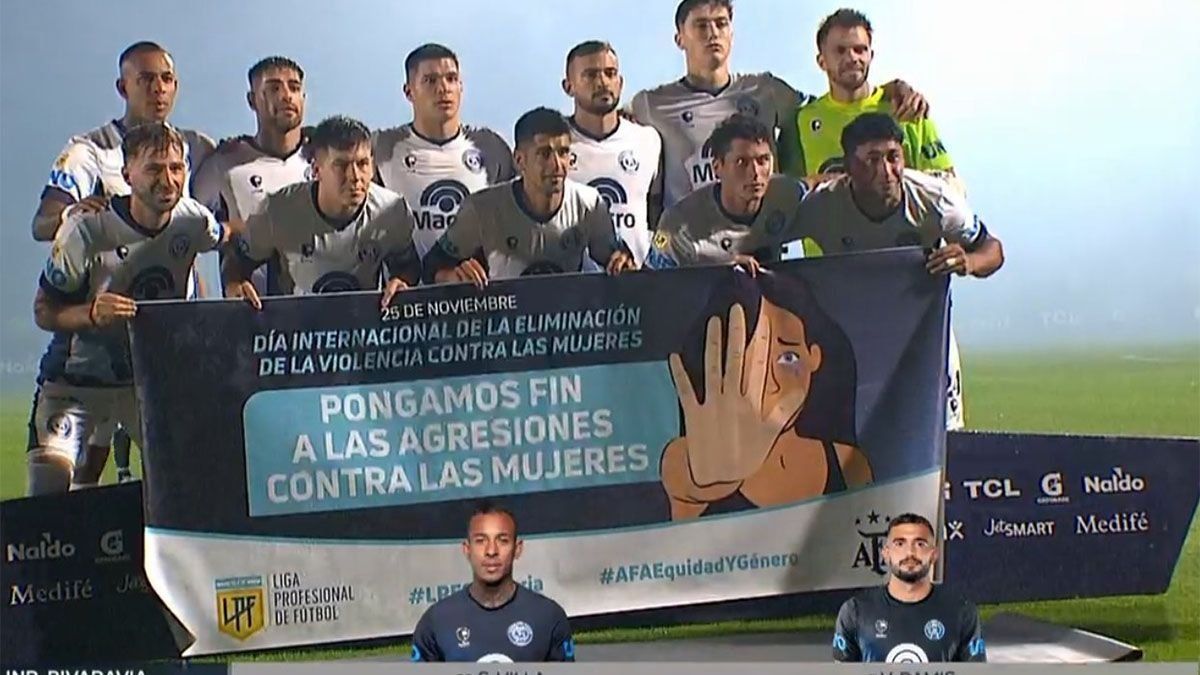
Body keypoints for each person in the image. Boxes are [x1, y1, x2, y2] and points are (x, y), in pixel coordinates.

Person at [29, 40, 215, 485]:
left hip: (156, 357)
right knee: (71, 483)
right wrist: (76, 215)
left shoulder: (190, 146)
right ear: (122, 86)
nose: (158, 89)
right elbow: (42, 223)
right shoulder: (90, 151)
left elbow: (195, 239)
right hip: (90, 351)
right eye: (145, 79)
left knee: (173, 487)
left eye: (166, 79)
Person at [794, 113, 1005, 429]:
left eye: (893, 157)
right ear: (849, 166)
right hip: (856, 340)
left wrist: (968, 262)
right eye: (872, 160)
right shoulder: (822, 206)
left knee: (942, 434)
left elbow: (993, 249)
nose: (886, 171)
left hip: (926, 339)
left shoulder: (935, 199)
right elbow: (765, 234)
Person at [628, 0, 926, 208]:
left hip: (759, 247)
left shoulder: (765, 90)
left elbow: (835, 103)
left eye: (721, 24)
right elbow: (610, 128)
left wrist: (889, 89)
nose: (713, 34)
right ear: (680, 38)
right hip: (689, 248)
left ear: (732, 33)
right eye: (701, 26)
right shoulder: (651, 104)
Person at [660, 271, 871, 520]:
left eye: (787, 358)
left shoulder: (847, 464)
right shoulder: (691, 458)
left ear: (814, 357)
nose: (770, 383)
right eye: (748, 364)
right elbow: (685, 483)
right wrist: (714, 482)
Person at [222, 115, 421, 309]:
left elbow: (407, 265)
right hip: (297, 333)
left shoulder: (391, 211)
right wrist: (235, 285)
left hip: (364, 332)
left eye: (362, 164)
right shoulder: (278, 211)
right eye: (341, 166)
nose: (355, 177)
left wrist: (402, 281)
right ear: (316, 170)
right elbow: (237, 261)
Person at [424, 107, 637, 286]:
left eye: (563, 152)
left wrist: (622, 262)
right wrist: (453, 276)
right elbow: (431, 266)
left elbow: (614, 255)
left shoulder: (590, 204)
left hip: (568, 325)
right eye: (544, 154)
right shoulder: (482, 209)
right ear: (519, 160)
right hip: (505, 326)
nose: (557, 165)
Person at [780, 9, 961, 192]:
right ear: (822, 61)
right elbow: (785, 196)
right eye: (840, 51)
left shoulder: (906, 107)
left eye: (860, 50)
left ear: (871, 56)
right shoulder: (800, 122)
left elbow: (951, 188)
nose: (852, 58)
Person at [374, 44, 515, 260]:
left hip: (478, 288)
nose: (443, 88)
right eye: (430, 80)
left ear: (461, 86)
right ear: (409, 92)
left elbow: (514, 221)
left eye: (451, 79)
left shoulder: (491, 147)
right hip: (409, 290)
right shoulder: (383, 148)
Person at [191, 56, 312, 294]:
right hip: (252, 315)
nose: (287, 95)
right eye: (274, 88)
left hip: (326, 313)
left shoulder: (325, 157)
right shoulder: (222, 165)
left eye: (294, 88)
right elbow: (184, 233)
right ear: (252, 100)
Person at [644, 114, 813, 271]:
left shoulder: (787, 192)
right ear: (717, 167)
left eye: (763, 160)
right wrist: (721, 271)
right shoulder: (677, 223)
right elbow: (653, 284)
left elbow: (816, 183)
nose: (755, 173)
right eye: (741, 162)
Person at [411, 504, 575, 663]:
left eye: (502, 540)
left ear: (517, 549)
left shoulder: (549, 617)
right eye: (481, 541)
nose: (491, 551)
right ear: (467, 549)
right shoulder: (436, 622)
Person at [833, 513, 986, 663]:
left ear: (934, 554)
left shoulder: (961, 612)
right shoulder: (855, 611)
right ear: (886, 554)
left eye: (920, 544)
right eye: (900, 543)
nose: (910, 553)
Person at [562, 40, 663, 267]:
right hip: (573, 286)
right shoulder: (554, 145)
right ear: (568, 86)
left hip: (638, 285)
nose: (602, 82)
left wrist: (654, 255)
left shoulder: (647, 140)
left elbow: (660, 218)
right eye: (590, 75)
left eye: (610, 73)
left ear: (621, 82)